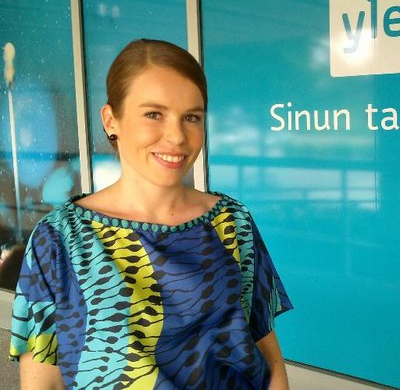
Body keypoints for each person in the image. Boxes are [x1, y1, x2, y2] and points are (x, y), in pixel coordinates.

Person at [9, 39, 293, 390]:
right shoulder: (60, 239)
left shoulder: (232, 222)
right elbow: (43, 381)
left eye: (191, 117)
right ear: (111, 120)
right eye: (154, 114)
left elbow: (267, 353)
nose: (177, 136)